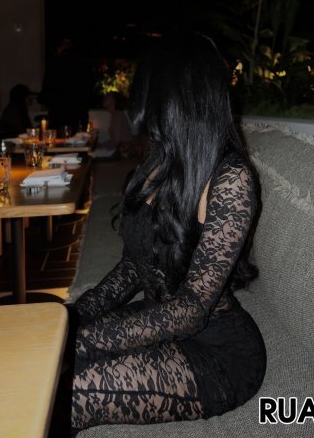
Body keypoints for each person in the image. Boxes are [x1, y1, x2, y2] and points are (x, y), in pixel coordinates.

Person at [69, 32, 266, 432]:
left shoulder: (232, 180)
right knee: (54, 362)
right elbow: (133, 266)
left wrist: (86, 340)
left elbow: (192, 308)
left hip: (217, 350)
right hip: (159, 317)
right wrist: (76, 316)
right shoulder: (161, 161)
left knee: (70, 393)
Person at [38, 37, 93, 134]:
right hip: (77, 111)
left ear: (59, 48)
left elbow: (48, 89)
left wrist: (45, 99)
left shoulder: (54, 63)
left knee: (57, 138)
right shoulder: (83, 63)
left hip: (57, 111)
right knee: (76, 138)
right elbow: (88, 89)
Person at [97, 90, 134, 158]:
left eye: (108, 96)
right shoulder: (115, 114)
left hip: (124, 150)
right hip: (120, 148)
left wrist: (102, 146)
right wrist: (101, 145)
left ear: (113, 101)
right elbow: (114, 141)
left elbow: (116, 142)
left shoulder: (118, 115)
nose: (105, 97)